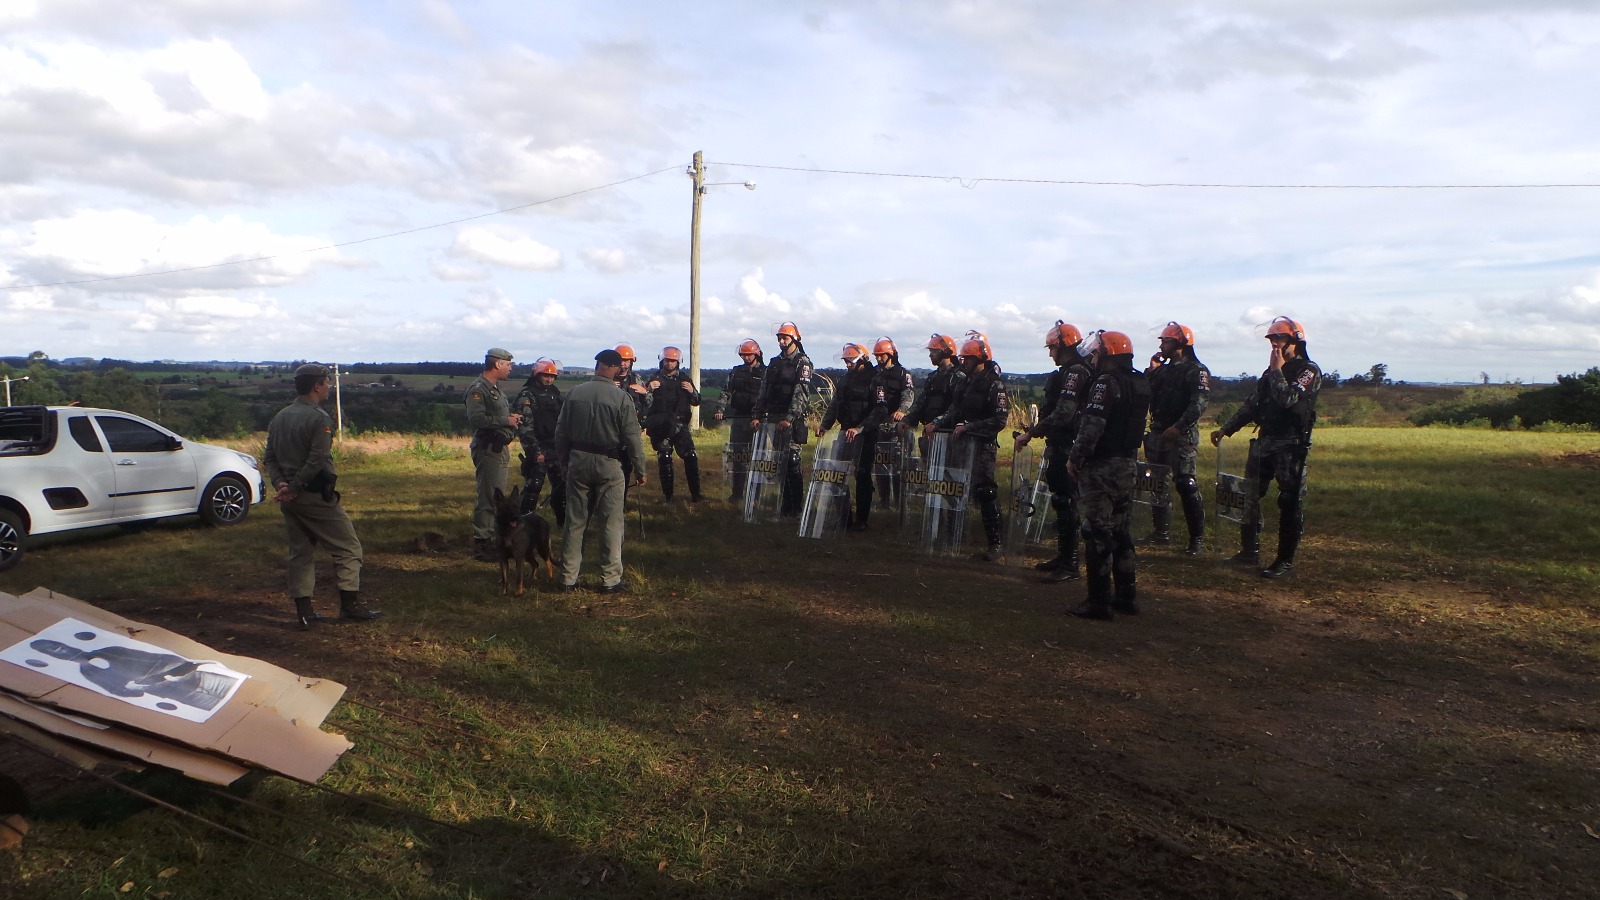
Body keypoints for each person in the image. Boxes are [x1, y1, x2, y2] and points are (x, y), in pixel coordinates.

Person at [263, 363, 381, 628]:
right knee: (349, 548)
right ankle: (350, 606)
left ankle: (304, 612)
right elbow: (317, 459)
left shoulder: (280, 417)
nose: (330, 387)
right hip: (313, 495)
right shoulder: (318, 419)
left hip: (290, 498)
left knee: (300, 552)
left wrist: (281, 484)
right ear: (317, 386)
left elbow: (270, 457)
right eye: (327, 383)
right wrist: (293, 487)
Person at [1210, 316, 1322, 578]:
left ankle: (1284, 561)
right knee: (1249, 496)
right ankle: (1249, 551)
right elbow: (1252, 405)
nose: (1274, 344)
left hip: (1291, 445)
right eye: (1272, 339)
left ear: (1295, 341)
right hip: (1264, 442)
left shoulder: (1309, 370)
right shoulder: (1269, 373)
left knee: (1289, 501)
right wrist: (1227, 429)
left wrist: (1277, 371)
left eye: (1279, 339)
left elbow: (1288, 399)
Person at [1066, 331, 1151, 620]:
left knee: (1097, 532)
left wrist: (1076, 457)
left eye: (1097, 352)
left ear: (1109, 353)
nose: (1094, 357)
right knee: (1121, 530)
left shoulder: (1106, 382)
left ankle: (1098, 601)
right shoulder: (1140, 381)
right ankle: (1126, 596)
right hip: (1128, 462)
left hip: (1101, 465)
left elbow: (1092, 425)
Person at [554, 349, 648, 592]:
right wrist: (640, 468)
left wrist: (565, 462)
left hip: (578, 460)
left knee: (575, 522)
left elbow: (561, 433)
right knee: (610, 522)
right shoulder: (620, 398)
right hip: (609, 462)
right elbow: (632, 437)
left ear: (597, 366)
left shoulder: (575, 393)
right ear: (616, 368)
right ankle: (610, 579)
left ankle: (567, 578)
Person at [1015, 321, 1091, 583]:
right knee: (1061, 498)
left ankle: (1070, 564)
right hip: (1061, 442)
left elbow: (1064, 413)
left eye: (1052, 348)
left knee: (1066, 500)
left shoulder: (1075, 372)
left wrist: (1032, 433)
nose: (1050, 354)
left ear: (1063, 346)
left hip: (1068, 444)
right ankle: (1064, 556)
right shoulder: (1071, 371)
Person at [929, 331, 1010, 561]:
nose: (963, 362)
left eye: (968, 358)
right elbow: (954, 410)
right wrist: (936, 423)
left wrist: (970, 426)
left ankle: (996, 544)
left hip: (982, 446)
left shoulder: (995, 386)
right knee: (954, 488)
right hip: (960, 446)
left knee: (985, 492)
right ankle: (953, 535)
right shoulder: (964, 383)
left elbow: (1000, 420)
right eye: (962, 358)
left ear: (980, 359)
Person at [1143, 322, 1212, 555]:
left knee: (1186, 484)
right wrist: (1153, 370)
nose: (1162, 345)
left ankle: (1197, 540)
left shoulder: (1196, 370)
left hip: (1181, 435)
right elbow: (1148, 395)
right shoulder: (1164, 370)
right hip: (1158, 432)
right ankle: (1160, 532)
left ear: (1181, 343)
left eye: (1166, 341)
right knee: (1156, 482)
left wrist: (1179, 426)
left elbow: (1199, 404)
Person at [816, 343, 883, 530]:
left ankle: (862, 520)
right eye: (846, 361)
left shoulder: (875, 380)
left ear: (862, 359)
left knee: (862, 474)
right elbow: (835, 404)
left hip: (865, 434)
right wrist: (825, 425)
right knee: (838, 473)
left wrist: (860, 428)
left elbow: (880, 408)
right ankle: (844, 517)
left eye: (850, 361)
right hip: (845, 431)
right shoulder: (845, 379)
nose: (847, 364)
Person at [749, 322, 813, 516]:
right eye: (779, 338)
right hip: (773, 417)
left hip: (791, 419)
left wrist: (790, 417)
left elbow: (801, 393)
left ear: (794, 339)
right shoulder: (774, 363)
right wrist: (757, 415)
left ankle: (796, 506)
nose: (781, 341)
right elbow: (764, 390)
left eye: (785, 338)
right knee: (780, 463)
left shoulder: (803, 362)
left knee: (792, 460)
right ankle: (785, 505)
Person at [465, 348, 523, 561]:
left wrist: (509, 418)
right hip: (489, 448)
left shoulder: (494, 389)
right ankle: (482, 542)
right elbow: (477, 419)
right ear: (497, 364)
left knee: (496, 494)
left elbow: (493, 415)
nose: (511, 368)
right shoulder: (479, 390)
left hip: (498, 448)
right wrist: (505, 421)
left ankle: (491, 538)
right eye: (508, 364)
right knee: (489, 496)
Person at [645, 346, 703, 501]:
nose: (669, 363)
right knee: (664, 457)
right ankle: (668, 497)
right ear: (662, 361)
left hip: (680, 425)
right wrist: (648, 390)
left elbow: (696, 401)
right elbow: (645, 404)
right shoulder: (654, 379)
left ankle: (696, 495)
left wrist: (692, 391)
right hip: (661, 426)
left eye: (673, 361)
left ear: (678, 362)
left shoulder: (685, 379)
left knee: (691, 456)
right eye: (667, 360)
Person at [512, 357, 566, 526]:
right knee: (533, 487)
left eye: (552, 376)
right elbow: (525, 427)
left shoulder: (555, 395)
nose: (549, 379)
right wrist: (534, 451)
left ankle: (563, 522)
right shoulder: (527, 396)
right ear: (537, 375)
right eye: (545, 376)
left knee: (561, 487)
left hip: (556, 447)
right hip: (538, 448)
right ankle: (524, 521)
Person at [867, 337, 916, 511]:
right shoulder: (873, 373)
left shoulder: (903, 374)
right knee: (880, 463)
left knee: (897, 464)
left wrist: (901, 410)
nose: (878, 359)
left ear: (890, 355)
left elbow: (908, 395)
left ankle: (899, 501)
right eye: (876, 356)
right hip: (879, 423)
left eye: (881, 355)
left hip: (896, 424)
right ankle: (884, 501)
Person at [713, 339, 765, 502]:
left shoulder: (766, 372)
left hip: (759, 420)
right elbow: (726, 391)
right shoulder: (736, 372)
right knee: (738, 458)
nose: (746, 358)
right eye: (743, 355)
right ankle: (736, 494)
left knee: (757, 459)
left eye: (748, 355)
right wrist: (720, 410)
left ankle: (755, 496)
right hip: (739, 418)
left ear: (756, 354)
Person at [905, 333, 966, 458]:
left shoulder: (958, 377)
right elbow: (921, 402)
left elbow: (957, 406)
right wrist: (907, 420)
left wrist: (937, 423)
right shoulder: (932, 377)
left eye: (934, 351)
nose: (930, 355)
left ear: (945, 352)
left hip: (948, 435)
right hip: (930, 433)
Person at [613, 343, 649, 491]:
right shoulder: (607, 378)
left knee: (627, 467)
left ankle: (622, 501)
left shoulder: (636, 379)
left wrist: (645, 392)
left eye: (626, 361)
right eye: (621, 360)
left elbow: (649, 403)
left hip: (631, 428)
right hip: (611, 429)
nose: (623, 364)